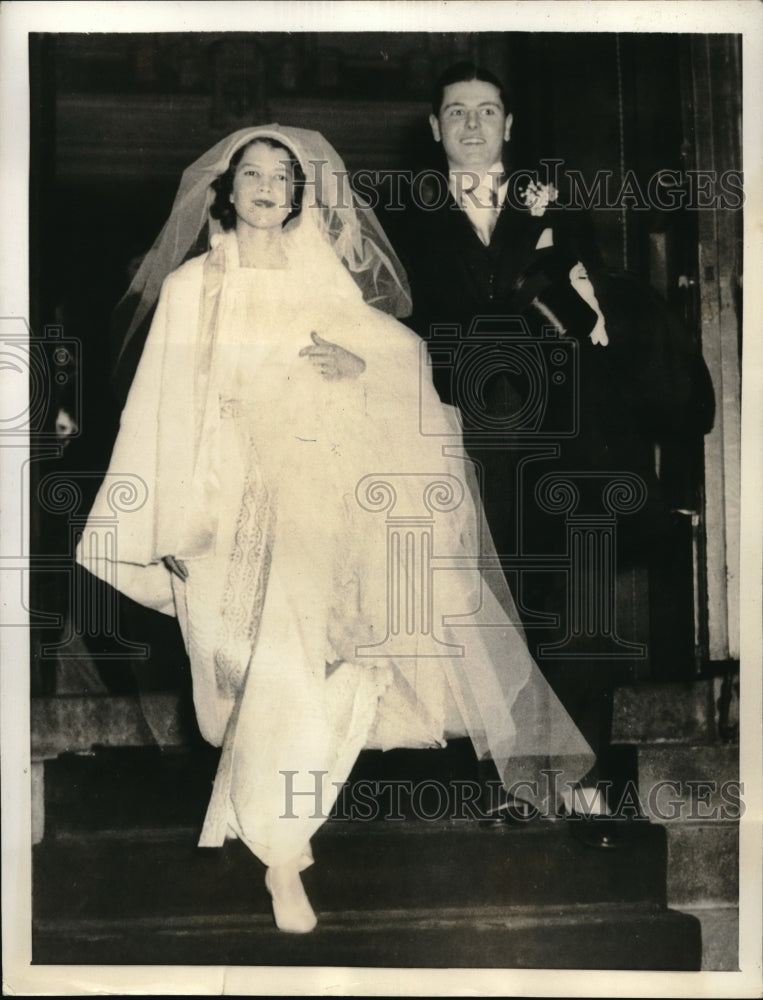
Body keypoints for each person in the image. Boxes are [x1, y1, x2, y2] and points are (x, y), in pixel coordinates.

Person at [76, 125, 594, 934]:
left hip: (325, 501)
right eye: (253, 173)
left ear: (298, 192)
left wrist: (360, 370)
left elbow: (396, 355)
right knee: (240, 690)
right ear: (227, 189)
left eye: (283, 176)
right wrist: (169, 518)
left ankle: (284, 855)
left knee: (317, 669)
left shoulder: (321, 274)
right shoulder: (192, 287)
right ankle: (271, 828)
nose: (268, 186)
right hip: (224, 501)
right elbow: (162, 407)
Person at [393, 62, 714, 827]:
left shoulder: (555, 197)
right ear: (435, 130)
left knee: (576, 595)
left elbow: (586, 301)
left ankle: (585, 775)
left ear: (509, 126)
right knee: (490, 604)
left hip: (565, 432)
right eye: (456, 113)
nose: (472, 125)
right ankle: (513, 782)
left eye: (487, 111)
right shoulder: (403, 217)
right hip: (467, 435)